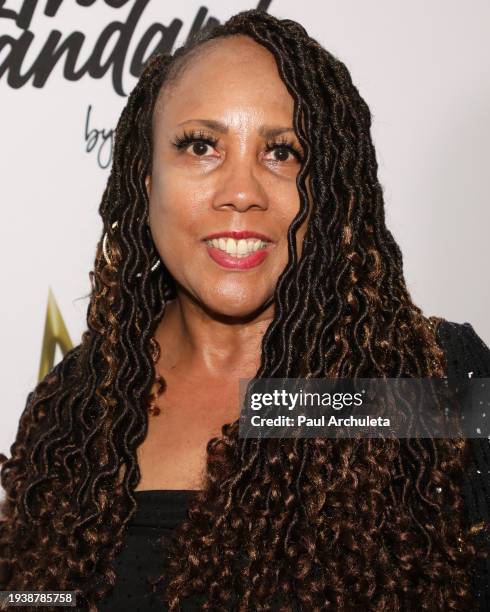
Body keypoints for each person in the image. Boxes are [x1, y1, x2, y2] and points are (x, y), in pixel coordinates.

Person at [1, 8, 489, 611]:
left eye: (282, 153)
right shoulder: (79, 400)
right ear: (146, 181)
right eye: (201, 146)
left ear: (332, 190)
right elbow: (35, 596)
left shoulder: (421, 379)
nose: (241, 191)